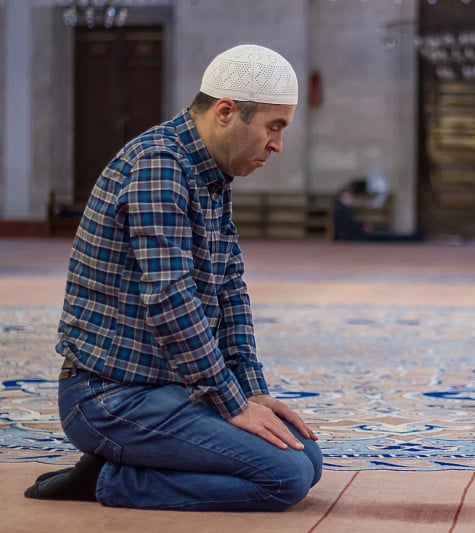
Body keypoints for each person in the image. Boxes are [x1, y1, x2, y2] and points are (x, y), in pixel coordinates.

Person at [24, 44, 322, 511]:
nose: (277, 145)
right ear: (226, 112)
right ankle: (111, 480)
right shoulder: (159, 165)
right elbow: (170, 296)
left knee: (306, 457)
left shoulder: (210, 175)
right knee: (283, 477)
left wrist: (253, 391)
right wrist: (232, 404)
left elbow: (229, 288)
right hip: (109, 397)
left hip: (167, 387)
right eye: (273, 127)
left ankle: (123, 463)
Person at [332, 185, 423, 242]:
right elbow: (347, 227)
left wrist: (363, 225)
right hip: (356, 236)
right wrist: (362, 227)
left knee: (385, 232)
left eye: (349, 195)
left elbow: (350, 223)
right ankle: (412, 237)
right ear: (340, 196)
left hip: (359, 232)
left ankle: (411, 236)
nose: (349, 197)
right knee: (385, 236)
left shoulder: (343, 208)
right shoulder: (340, 209)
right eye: (346, 195)